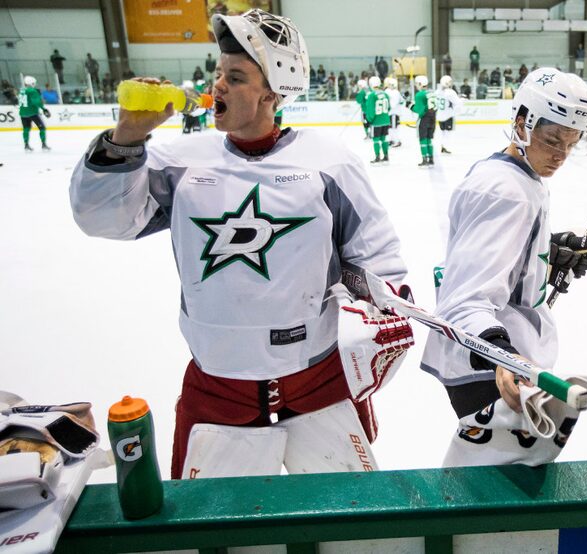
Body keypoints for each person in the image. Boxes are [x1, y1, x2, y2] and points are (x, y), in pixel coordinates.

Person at [69, 9, 408, 479]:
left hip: (320, 379)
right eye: (218, 73)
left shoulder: (330, 163)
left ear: (272, 92)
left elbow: (376, 255)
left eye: (235, 76)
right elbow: (103, 220)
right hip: (218, 384)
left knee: (351, 522)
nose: (217, 86)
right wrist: (127, 137)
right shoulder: (180, 163)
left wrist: (386, 304)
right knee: (219, 537)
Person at [419, 68, 587, 467]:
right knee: (495, 496)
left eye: (571, 143)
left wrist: (549, 256)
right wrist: (504, 358)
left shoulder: (516, 176)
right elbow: (465, 299)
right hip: (490, 365)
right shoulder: (506, 191)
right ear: (522, 123)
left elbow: (497, 263)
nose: (560, 156)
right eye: (552, 140)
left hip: (496, 357)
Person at [18, 76, 51, 151]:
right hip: (32, 113)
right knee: (42, 128)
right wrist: (43, 109)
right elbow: (36, 102)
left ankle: (26, 145)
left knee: (26, 128)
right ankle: (43, 144)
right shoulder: (32, 91)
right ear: (32, 83)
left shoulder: (22, 90)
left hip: (23, 113)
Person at [410, 74, 436, 166]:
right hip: (433, 119)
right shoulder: (432, 93)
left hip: (424, 119)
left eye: (417, 84)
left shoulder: (420, 94)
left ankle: (424, 159)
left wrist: (410, 106)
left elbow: (419, 110)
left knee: (423, 139)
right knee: (429, 139)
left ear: (420, 84)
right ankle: (431, 159)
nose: (416, 86)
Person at [364, 76, 390, 163]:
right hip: (386, 120)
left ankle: (377, 157)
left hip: (376, 121)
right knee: (384, 139)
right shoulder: (385, 94)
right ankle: (386, 156)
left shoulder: (371, 95)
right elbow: (389, 107)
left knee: (376, 140)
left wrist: (369, 120)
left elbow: (371, 110)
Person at [435, 75, 462, 155]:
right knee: (448, 133)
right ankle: (445, 147)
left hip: (440, 115)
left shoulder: (437, 92)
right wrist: (462, 100)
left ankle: (443, 146)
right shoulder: (450, 92)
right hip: (448, 115)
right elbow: (457, 102)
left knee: (443, 132)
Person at [384, 76, 404, 147]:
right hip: (391, 113)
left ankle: (397, 141)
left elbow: (393, 104)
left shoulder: (395, 92)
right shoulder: (389, 91)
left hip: (393, 114)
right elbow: (401, 101)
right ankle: (392, 139)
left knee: (393, 128)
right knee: (390, 128)